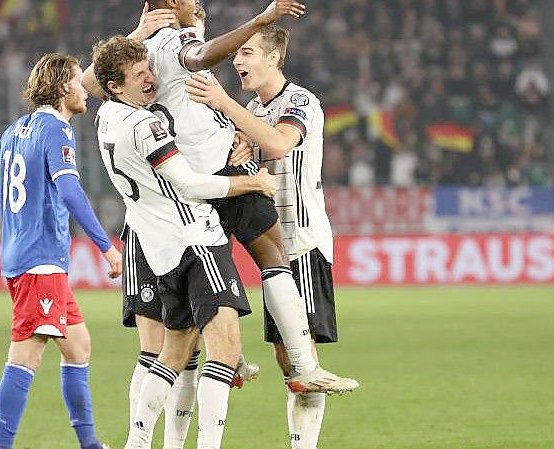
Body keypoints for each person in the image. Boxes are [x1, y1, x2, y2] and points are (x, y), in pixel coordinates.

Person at [82, 0, 358, 396]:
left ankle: (230, 353)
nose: (200, 8)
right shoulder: (181, 39)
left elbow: (90, 86)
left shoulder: (141, 56)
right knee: (273, 257)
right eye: (195, 3)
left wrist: (137, 32)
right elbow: (201, 54)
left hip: (184, 181)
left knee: (210, 270)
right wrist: (260, 20)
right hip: (219, 168)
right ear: (177, 7)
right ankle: (304, 363)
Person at [90, 35, 279, 449]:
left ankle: (138, 443)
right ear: (116, 87)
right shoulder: (145, 125)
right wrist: (253, 180)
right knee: (225, 349)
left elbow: (93, 83)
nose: (150, 78)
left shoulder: (106, 116)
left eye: (148, 69)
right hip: (194, 239)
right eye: (138, 75)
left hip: (160, 250)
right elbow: (191, 182)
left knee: (173, 352)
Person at [186, 25, 341, 449]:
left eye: (248, 52)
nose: (237, 60)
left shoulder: (300, 101)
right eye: (236, 55)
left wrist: (224, 105)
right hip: (268, 245)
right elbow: (248, 149)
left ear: (274, 58)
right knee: (284, 356)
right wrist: (234, 147)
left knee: (301, 360)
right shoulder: (251, 106)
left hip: (300, 243)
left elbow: (277, 142)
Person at [0, 53, 122, 449]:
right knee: (26, 356)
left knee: (78, 347)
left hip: (24, 258)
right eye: (80, 83)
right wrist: (106, 247)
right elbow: (69, 192)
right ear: (64, 88)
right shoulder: (56, 130)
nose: (85, 90)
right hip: (40, 260)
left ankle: (90, 444)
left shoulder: (14, 130)